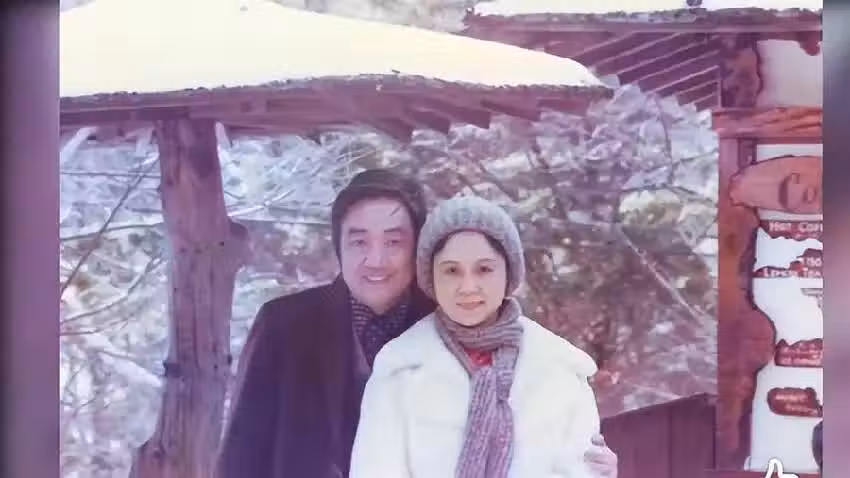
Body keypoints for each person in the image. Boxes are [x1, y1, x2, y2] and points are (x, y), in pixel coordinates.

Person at [216, 169, 618, 478]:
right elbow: (241, 454)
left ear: (418, 249)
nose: (376, 259)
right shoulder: (285, 325)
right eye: (359, 241)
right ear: (339, 245)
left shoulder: (456, 321)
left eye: (394, 242)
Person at [350, 195, 608, 478]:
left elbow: (582, 471)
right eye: (451, 271)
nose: (467, 287)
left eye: (484, 269)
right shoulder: (398, 368)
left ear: (508, 272)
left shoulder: (560, 367)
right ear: (431, 277)